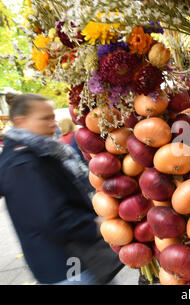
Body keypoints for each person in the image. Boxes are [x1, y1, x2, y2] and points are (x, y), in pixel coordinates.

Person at [0, 94, 123, 285]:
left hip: (74, 261)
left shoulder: (39, 151)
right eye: (45, 118)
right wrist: (95, 226)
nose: (53, 123)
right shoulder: (21, 163)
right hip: (66, 268)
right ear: (20, 121)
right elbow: (50, 219)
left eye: (53, 117)